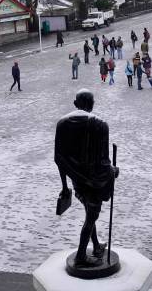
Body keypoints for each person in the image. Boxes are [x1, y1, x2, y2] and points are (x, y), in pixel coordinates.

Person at [54, 89, 119, 268]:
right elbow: (104, 162)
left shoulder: (62, 123)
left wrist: (64, 186)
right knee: (91, 217)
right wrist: (113, 171)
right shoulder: (100, 124)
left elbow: (59, 158)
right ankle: (81, 256)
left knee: (89, 212)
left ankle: (96, 246)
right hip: (95, 182)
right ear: (92, 104)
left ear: (76, 104)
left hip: (77, 181)